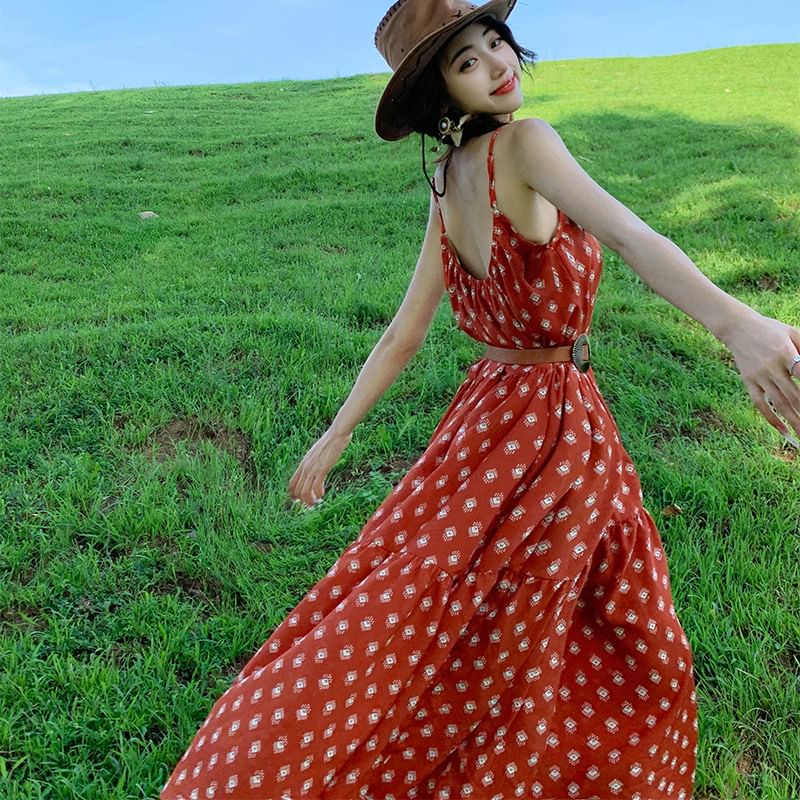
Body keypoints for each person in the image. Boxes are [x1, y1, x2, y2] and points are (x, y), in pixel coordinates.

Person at [160, 1, 800, 798]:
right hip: (552, 423)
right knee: (616, 630)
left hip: (484, 415)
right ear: (443, 94)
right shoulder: (527, 144)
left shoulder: (447, 181)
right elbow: (631, 236)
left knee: (442, 600)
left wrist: (337, 434)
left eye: (496, 42)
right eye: (468, 61)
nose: (497, 63)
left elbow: (404, 333)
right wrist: (739, 325)